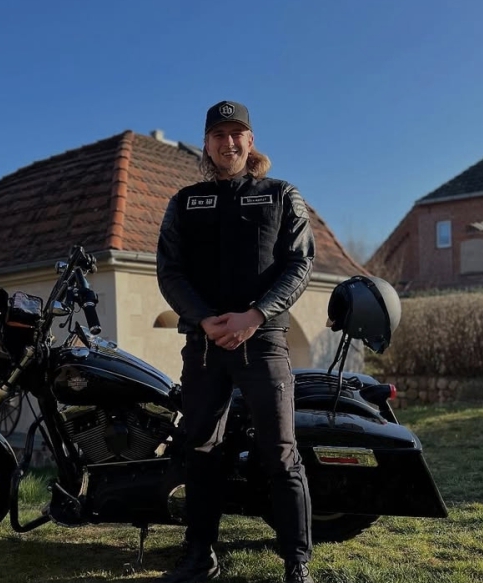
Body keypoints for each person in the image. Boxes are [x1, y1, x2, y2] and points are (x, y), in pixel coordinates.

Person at [155, 100, 317, 583]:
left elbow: (300, 264)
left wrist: (255, 314)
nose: (228, 143)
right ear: (206, 144)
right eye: (218, 135)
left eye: (236, 134)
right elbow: (169, 271)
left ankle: (297, 564)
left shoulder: (281, 194)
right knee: (200, 450)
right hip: (204, 345)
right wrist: (204, 319)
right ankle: (199, 556)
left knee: (280, 452)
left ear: (251, 140)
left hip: (263, 342)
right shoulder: (184, 202)